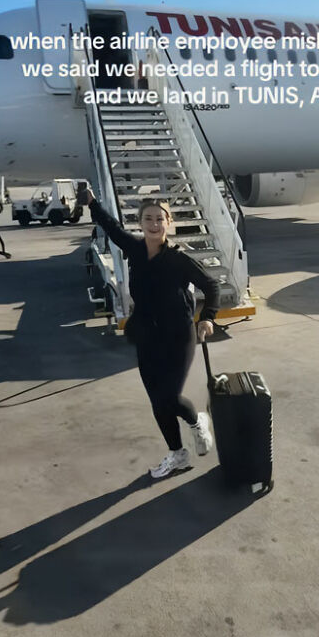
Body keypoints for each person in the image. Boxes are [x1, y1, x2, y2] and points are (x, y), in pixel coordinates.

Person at [83, 188, 219, 478]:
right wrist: (93, 204)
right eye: (148, 219)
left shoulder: (179, 260)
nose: (154, 224)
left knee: (168, 396)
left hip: (179, 336)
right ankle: (177, 453)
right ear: (141, 222)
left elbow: (212, 286)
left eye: (160, 218)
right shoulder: (135, 250)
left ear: (168, 223)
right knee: (157, 401)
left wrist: (207, 318)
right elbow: (112, 228)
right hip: (147, 336)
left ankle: (197, 422)